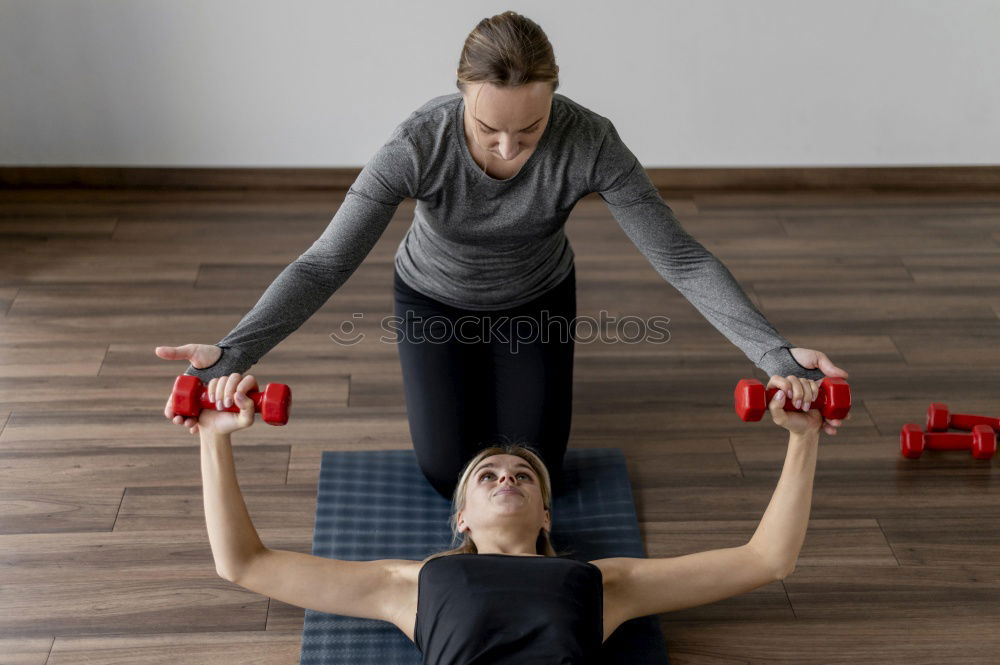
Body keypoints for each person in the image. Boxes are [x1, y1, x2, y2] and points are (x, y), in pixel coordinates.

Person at [158, 10, 848, 498]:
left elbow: (683, 258)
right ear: (462, 93)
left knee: (534, 469)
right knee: (447, 473)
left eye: (531, 129)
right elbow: (324, 262)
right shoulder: (415, 144)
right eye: (489, 129)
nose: (510, 150)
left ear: (554, 102)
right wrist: (235, 351)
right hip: (432, 300)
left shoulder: (589, 140)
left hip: (536, 300)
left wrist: (776, 357)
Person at [196, 371, 825, 664]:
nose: (507, 477)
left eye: (524, 476)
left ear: (546, 513)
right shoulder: (412, 583)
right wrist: (213, 436)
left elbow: (766, 560)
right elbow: (243, 564)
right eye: (488, 476)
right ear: (461, 517)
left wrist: (805, 437)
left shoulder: (605, 583)